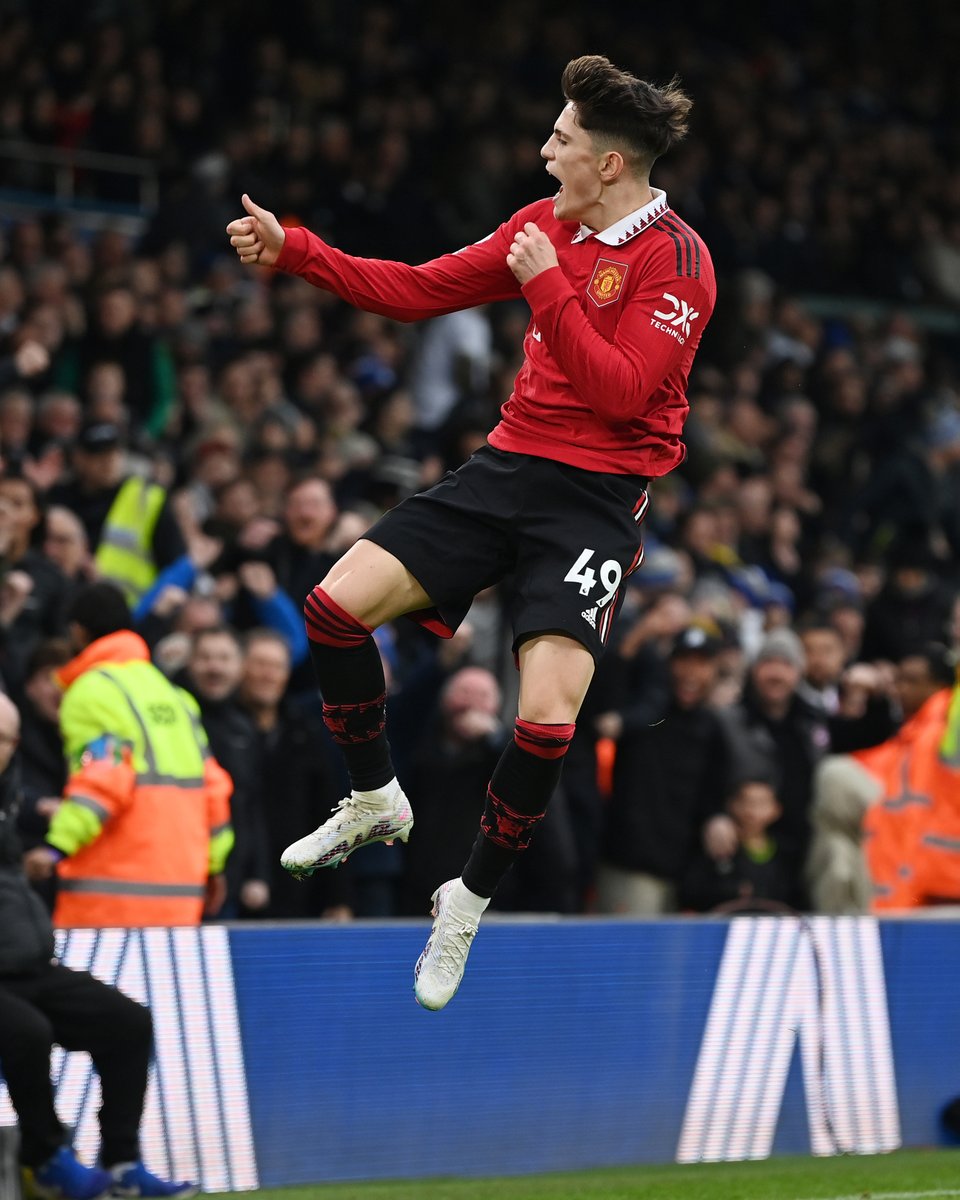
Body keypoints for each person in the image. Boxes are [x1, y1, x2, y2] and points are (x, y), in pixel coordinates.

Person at [228, 55, 715, 1008]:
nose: (545, 153)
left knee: (545, 720)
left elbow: (622, 396)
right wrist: (298, 251)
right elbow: (418, 288)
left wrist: (545, 291)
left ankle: (467, 899)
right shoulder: (544, 227)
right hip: (508, 469)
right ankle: (375, 796)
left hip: (596, 500)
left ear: (609, 164)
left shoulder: (678, 262)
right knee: (333, 610)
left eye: (563, 140)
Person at [0, 693, 197, 1199]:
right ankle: (44, 1159)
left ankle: (120, 1164)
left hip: (26, 963)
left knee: (128, 1022)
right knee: (27, 1032)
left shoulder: (10, 796)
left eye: (6, 738)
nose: (4, 747)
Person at [22, 583, 234, 928]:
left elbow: (104, 777)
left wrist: (55, 847)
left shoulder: (91, 690)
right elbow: (214, 788)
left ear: (77, 631)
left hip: (107, 896)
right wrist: (214, 865)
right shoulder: (174, 695)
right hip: (181, 891)